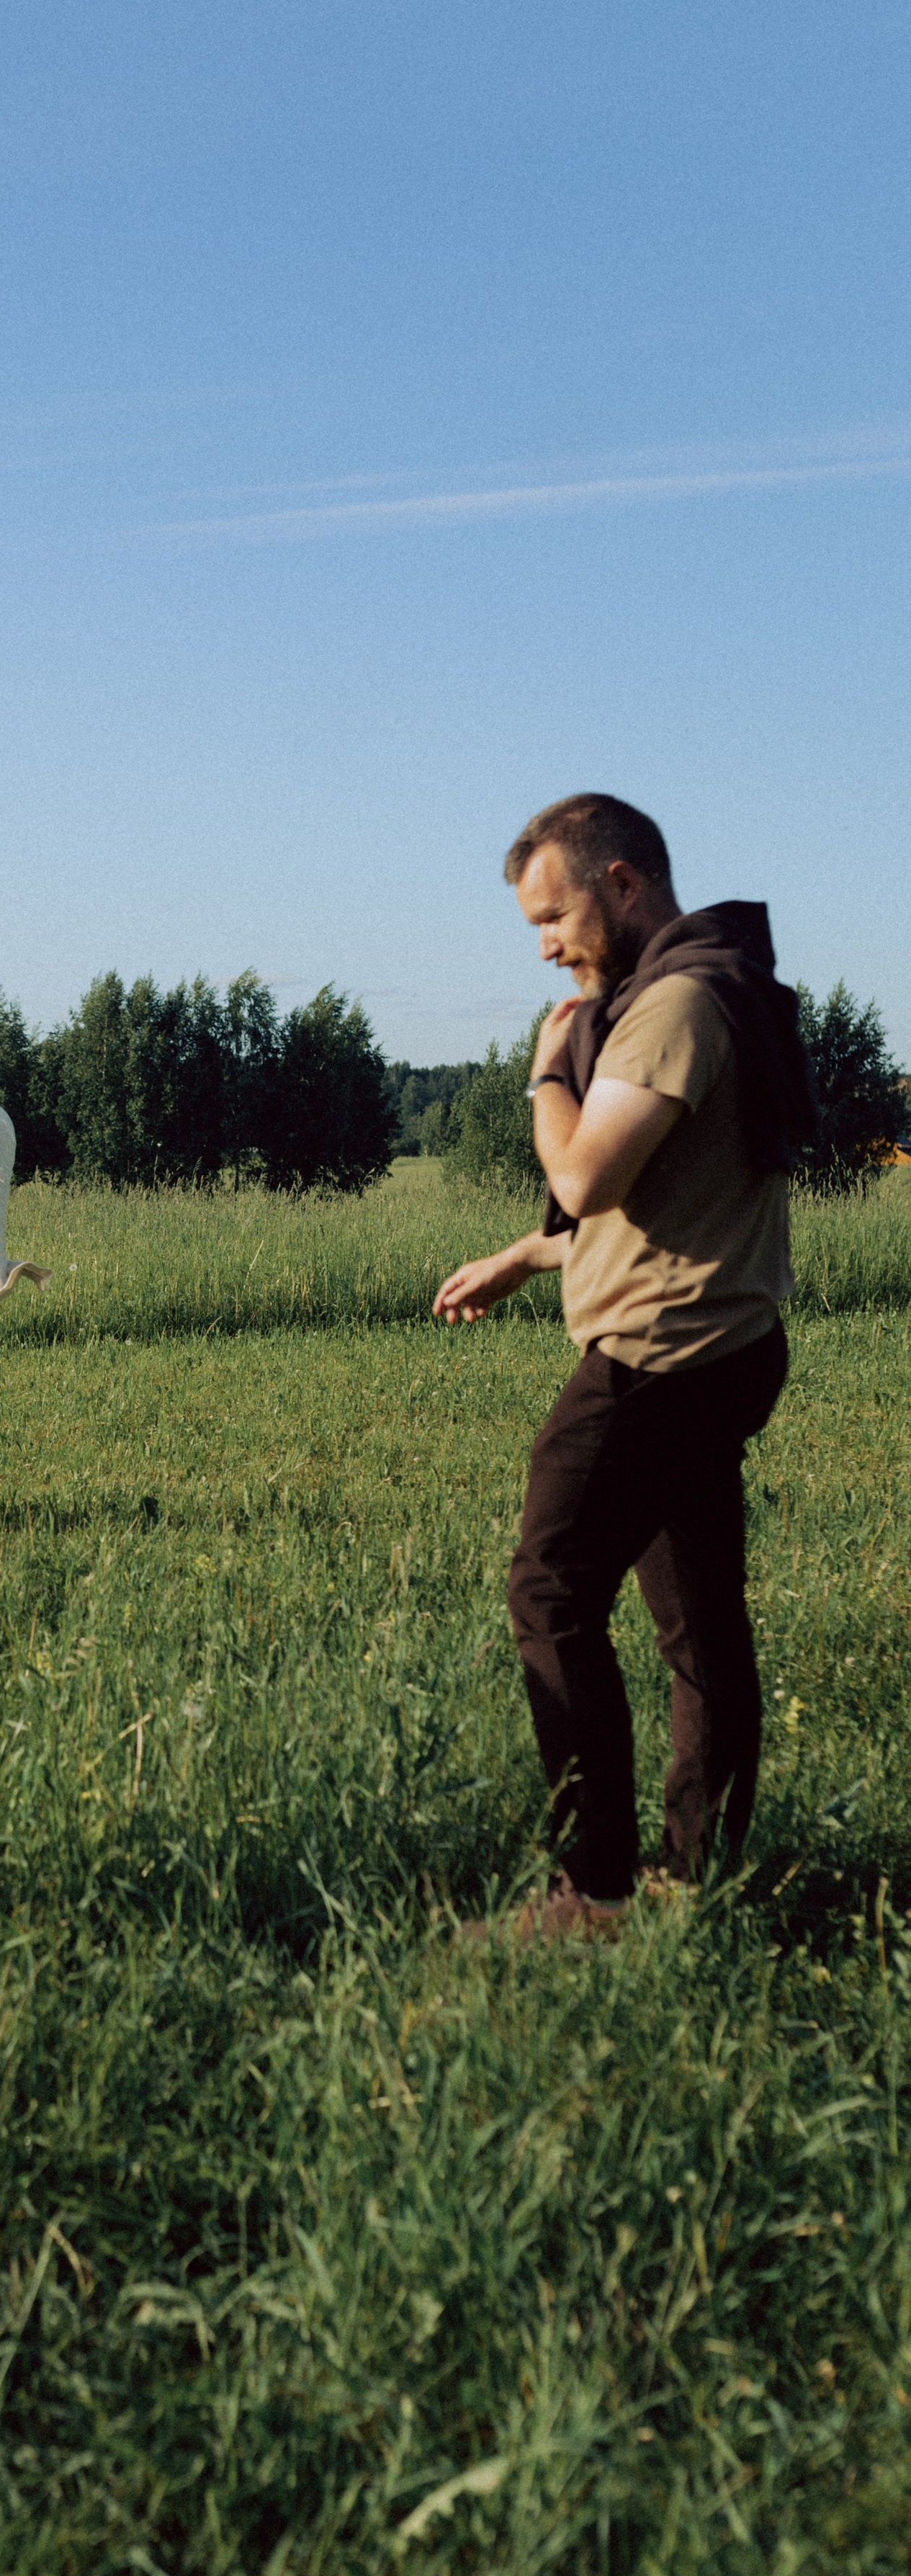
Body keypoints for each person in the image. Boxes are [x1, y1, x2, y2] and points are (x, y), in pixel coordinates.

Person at [433, 794, 815, 1940]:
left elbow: (587, 1177)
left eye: (554, 916)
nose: (547, 945)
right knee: (699, 1628)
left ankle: (590, 1895)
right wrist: (524, 1255)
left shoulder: (673, 1008)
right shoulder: (707, 988)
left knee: (550, 1592)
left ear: (621, 882)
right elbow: (667, 1201)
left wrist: (547, 1072)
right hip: (719, 1347)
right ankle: (701, 1879)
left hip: (660, 1359)